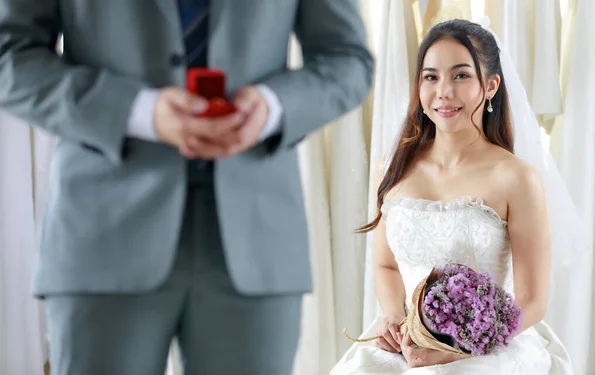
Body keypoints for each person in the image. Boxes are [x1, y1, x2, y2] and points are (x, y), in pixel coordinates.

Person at [0, 1, 373, 374]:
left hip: (258, 240)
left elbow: (348, 59)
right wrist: (138, 111)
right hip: (101, 237)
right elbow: (9, 57)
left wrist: (274, 107)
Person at [331, 19, 575, 374]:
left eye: (460, 75)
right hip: (407, 343)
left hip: (488, 348)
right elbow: (385, 265)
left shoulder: (516, 178)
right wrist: (394, 318)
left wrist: (461, 349)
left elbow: (533, 301)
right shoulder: (391, 169)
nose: (443, 91)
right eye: (431, 77)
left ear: (491, 86)